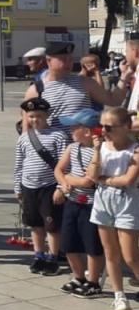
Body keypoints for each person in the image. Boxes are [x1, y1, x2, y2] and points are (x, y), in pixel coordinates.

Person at [85, 106, 139, 310]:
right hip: (103, 200)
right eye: (102, 126)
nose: (104, 131)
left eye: (109, 127)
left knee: (130, 256)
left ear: (126, 127)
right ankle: (119, 296)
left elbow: (128, 180)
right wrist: (96, 151)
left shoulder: (134, 150)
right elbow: (91, 175)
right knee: (111, 253)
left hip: (127, 202)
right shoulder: (102, 147)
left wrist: (103, 179)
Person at [53, 108, 104, 298]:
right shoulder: (72, 148)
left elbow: (88, 181)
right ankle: (78, 277)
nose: (71, 131)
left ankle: (93, 282)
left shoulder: (99, 151)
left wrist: (69, 179)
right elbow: (58, 169)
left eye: (75, 127)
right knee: (68, 242)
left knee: (92, 244)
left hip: (91, 203)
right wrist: (64, 182)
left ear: (88, 131)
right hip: (73, 201)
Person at [15, 97, 66, 275]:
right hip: (29, 186)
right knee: (35, 224)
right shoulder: (24, 138)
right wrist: (18, 187)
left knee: (51, 225)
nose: (35, 120)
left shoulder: (58, 136)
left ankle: (53, 257)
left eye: (38, 116)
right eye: (31, 116)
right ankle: (39, 255)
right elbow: (19, 164)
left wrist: (61, 188)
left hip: (49, 187)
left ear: (47, 115)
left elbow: (63, 165)